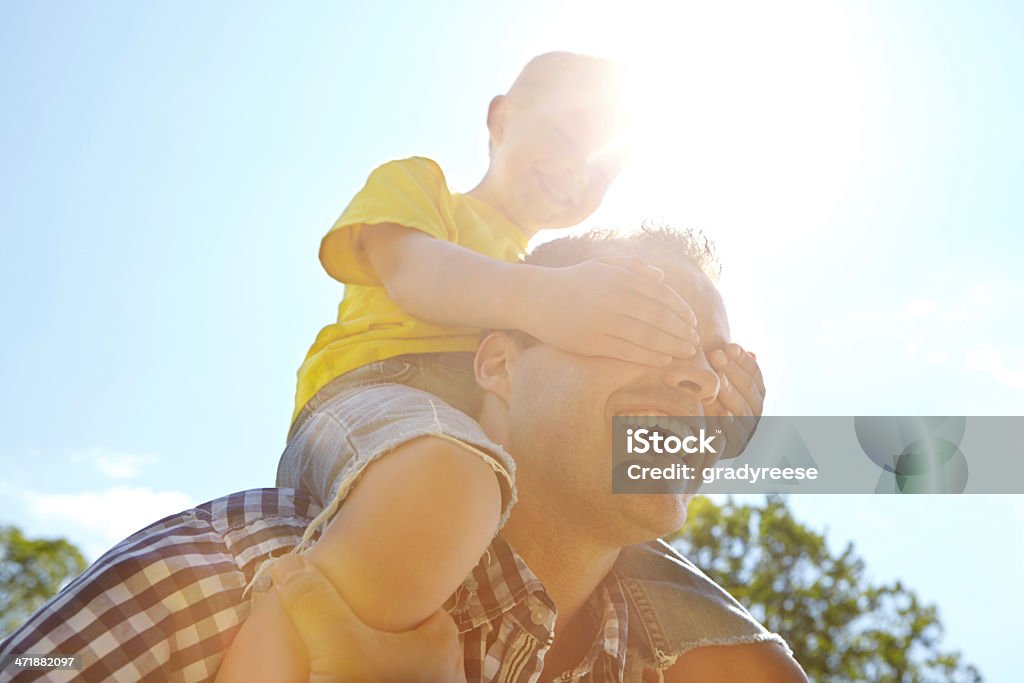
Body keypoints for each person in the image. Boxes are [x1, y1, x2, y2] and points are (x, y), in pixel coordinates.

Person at [0, 226, 806, 681]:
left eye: (719, 365)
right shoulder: (232, 572)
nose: (699, 377)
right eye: (648, 322)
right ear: (497, 364)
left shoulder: (700, 661)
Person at [230, 51, 701, 680]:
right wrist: (549, 299)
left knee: (649, 565)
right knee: (448, 475)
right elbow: (415, 273)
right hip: (377, 391)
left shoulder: (552, 268)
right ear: (502, 120)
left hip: (488, 440)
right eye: (563, 136)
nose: (575, 170)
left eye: (600, 170)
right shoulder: (424, 187)